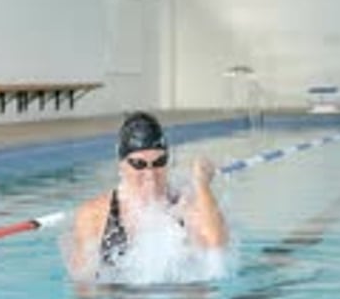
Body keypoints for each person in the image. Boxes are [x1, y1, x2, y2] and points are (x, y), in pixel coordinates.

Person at [69, 110, 228, 283]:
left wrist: (202, 185)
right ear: (121, 164)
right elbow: (84, 285)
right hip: (118, 298)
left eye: (159, 162)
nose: (150, 173)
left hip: (184, 296)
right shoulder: (95, 215)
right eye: (139, 164)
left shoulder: (185, 204)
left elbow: (217, 250)